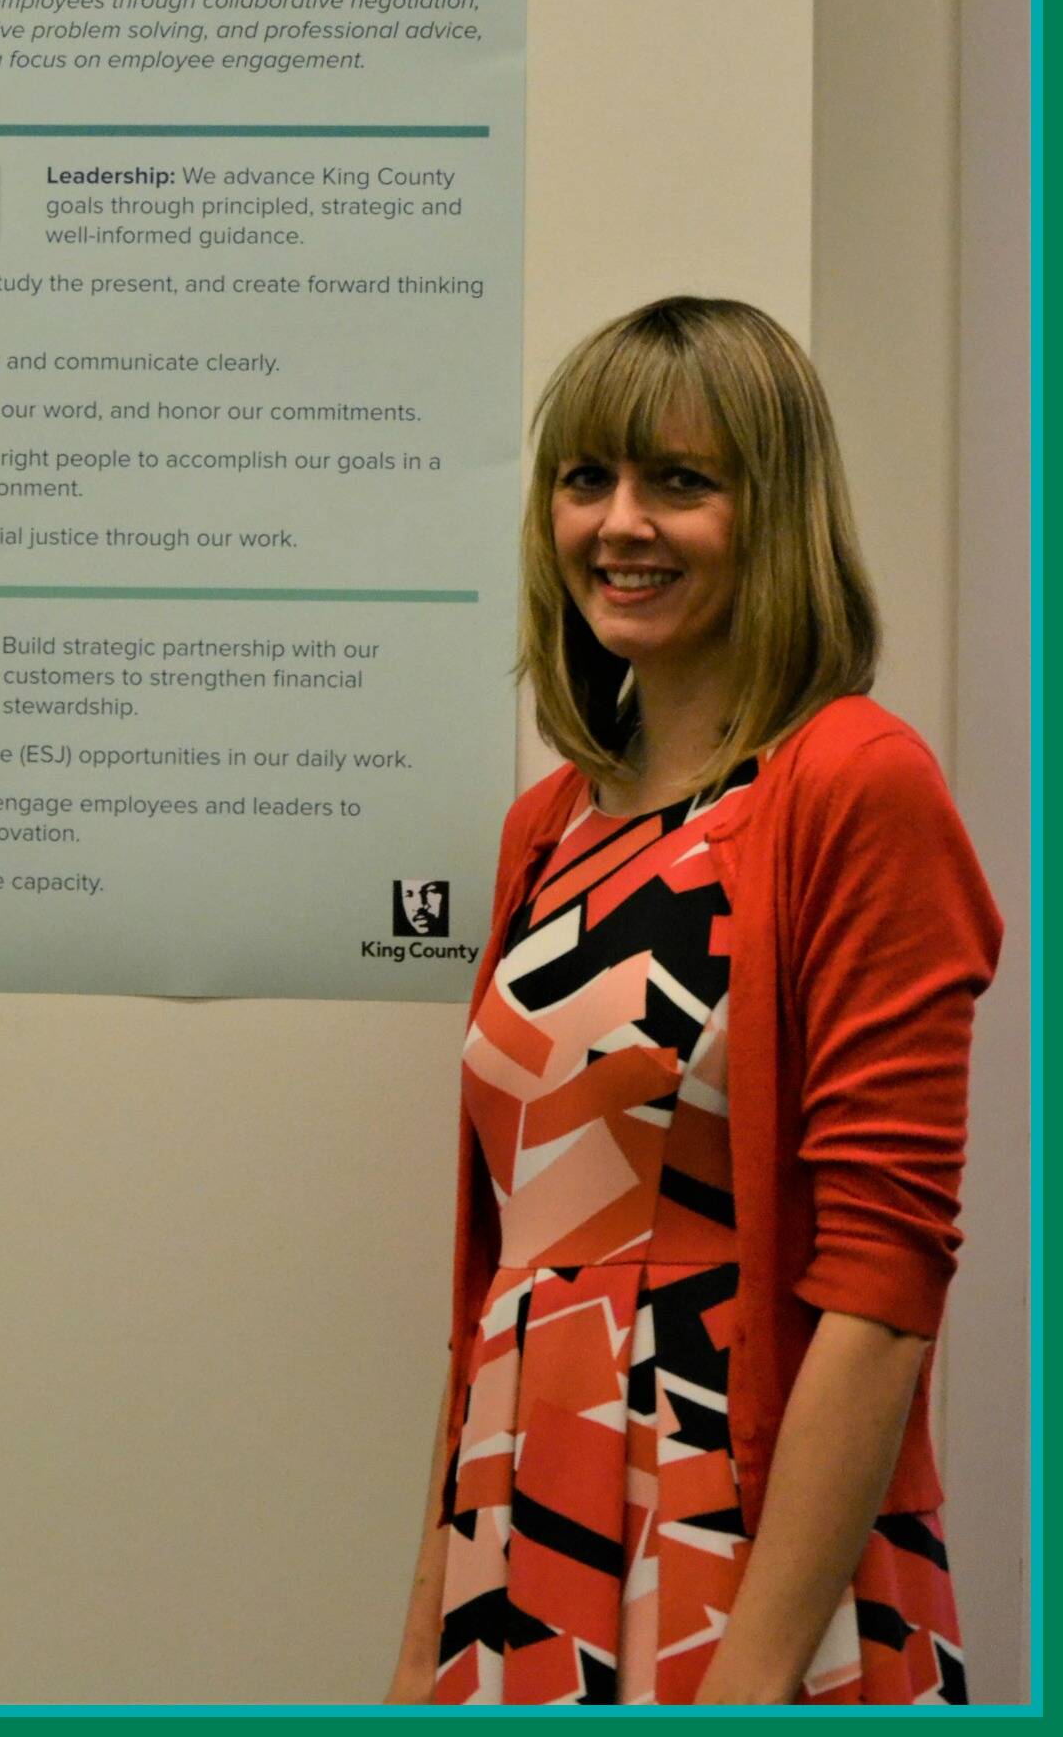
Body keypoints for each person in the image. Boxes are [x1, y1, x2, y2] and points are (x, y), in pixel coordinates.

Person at [386, 297, 1003, 1707]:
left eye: (680, 481)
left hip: (744, 1546)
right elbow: (498, 1293)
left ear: (774, 511)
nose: (621, 524)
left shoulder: (854, 785)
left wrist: (750, 1678)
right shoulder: (548, 826)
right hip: (521, 1526)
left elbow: (885, 1281)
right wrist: (424, 1642)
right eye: (585, 478)